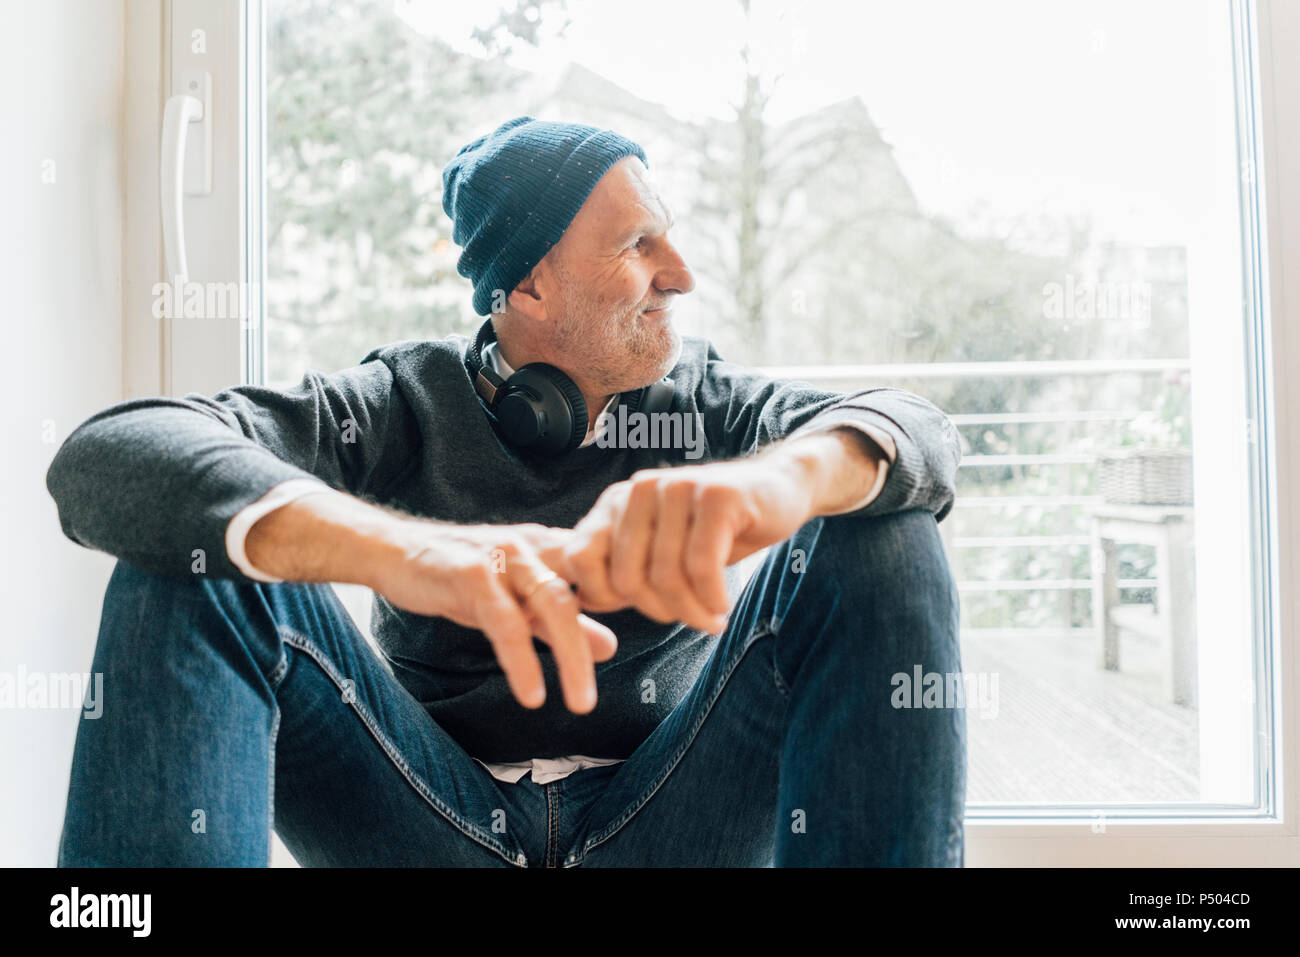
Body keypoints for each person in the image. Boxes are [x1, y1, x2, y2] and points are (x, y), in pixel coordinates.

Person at [47, 116, 966, 867]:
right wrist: (407, 554)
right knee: (198, 557)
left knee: (879, 523)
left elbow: (919, 431)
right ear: (526, 283)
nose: (680, 273)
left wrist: (776, 484)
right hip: (426, 818)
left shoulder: (705, 401)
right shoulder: (403, 399)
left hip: (668, 817)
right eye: (638, 244)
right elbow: (110, 453)